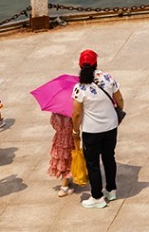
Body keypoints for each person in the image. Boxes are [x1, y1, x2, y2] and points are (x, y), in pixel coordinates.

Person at [70, 48, 123, 209]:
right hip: (111, 127)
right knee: (109, 158)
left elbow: (77, 113)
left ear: (80, 65)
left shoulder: (79, 88)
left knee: (93, 163)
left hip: (92, 131)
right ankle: (111, 190)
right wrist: (117, 115)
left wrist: (75, 131)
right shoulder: (107, 78)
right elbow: (119, 98)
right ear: (96, 63)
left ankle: (97, 197)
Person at [49, 107, 77, 197]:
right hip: (69, 140)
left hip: (58, 140)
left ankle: (66, 182)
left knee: (61, 161)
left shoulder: (54, 116)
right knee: (67, 162)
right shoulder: (71, 116)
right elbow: (75, 126)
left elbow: (53, 125)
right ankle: (64, 187)